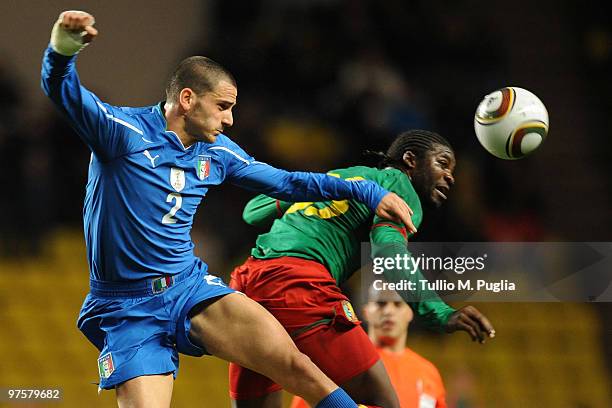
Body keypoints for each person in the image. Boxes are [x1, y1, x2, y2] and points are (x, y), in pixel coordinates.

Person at [41, 10, 417, 408]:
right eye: (222, 106)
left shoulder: (218, 151)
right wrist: (63, 49)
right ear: (187, 99)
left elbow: (288, 183)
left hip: (188, 288)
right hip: (128, 307)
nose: (230, 118)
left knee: (296, 365)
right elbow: (63, 91)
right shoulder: (122, 133)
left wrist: (369, 194)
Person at [230, 129, 495, 407]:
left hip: (249, 284)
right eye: (442, 163)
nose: (450, 176)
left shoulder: (345, 176)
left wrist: (302, 194)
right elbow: (386, 250)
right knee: (383, 401)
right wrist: (440, 313)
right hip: (297, 283)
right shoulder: (400, 188)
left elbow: (253, 211)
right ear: (410, 160)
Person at [292, 288, 448, 408]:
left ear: (410, 312)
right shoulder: (340, 361)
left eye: (398, 304)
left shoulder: (428, 372)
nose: (389, 311)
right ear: (366, 312)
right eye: (381, 304)